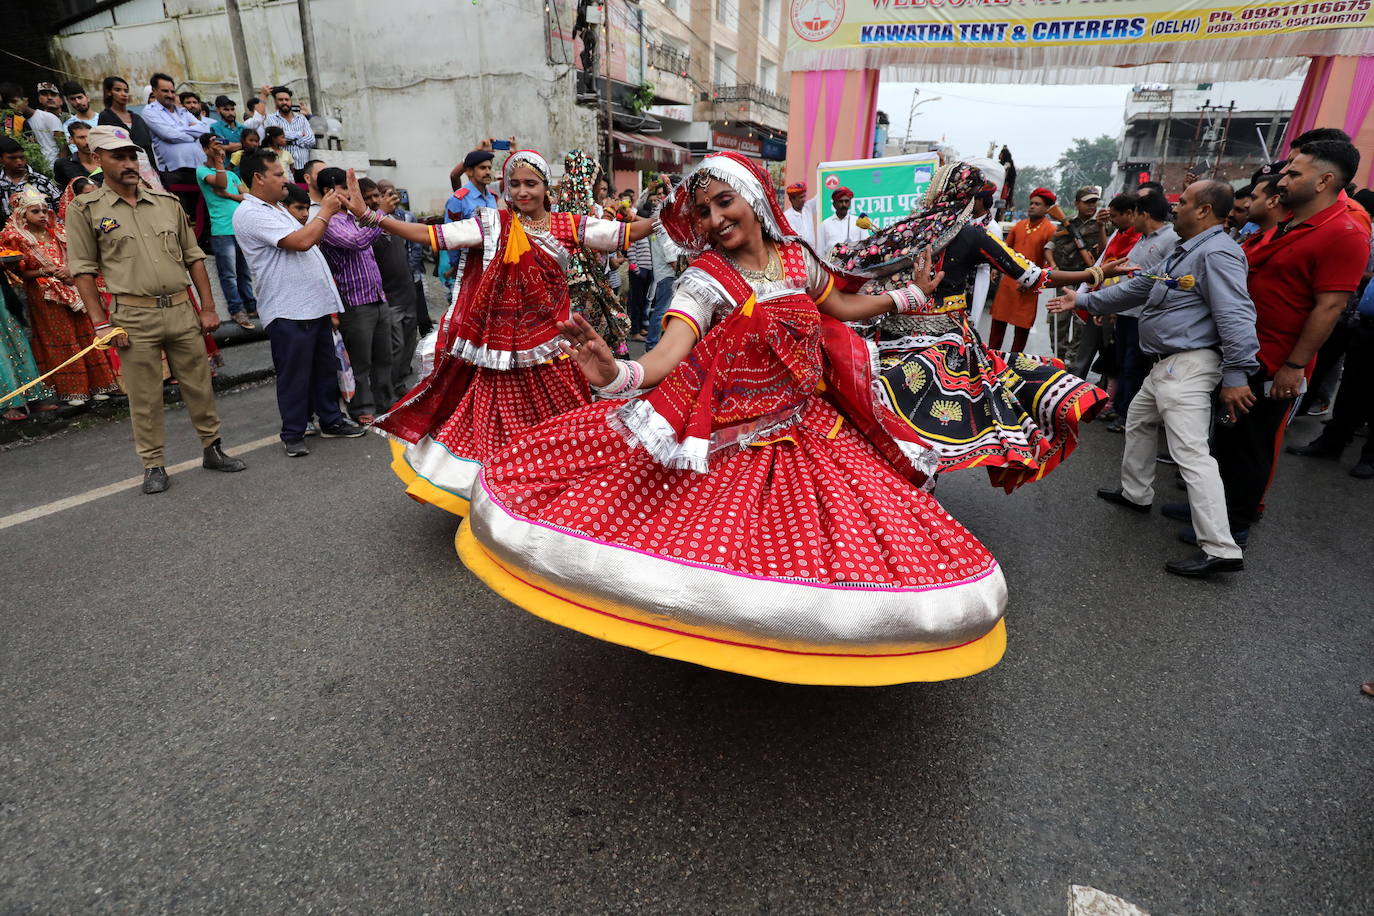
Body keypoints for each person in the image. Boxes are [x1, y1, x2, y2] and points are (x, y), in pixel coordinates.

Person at [457, 151, 1008, 686]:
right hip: (735, 439)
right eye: (703, 212)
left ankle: (802, 642)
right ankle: (727, 649)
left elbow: (841, 309)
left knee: (836, 547)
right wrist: (614, 374)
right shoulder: (705, 278)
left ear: (755, 199)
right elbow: (667, 355)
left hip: (810, 425)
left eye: (725, 203)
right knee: (721, 552)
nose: (716, 220)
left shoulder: (797, 260)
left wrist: (908, 297)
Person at [362, 150, 654, 515]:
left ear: (547, 188)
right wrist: (371, 217)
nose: (521, 192)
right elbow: (433, 235)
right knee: (496, 434)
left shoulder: (568, 225)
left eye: (531, 184)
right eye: (514, 184)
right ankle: (500, 499)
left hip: (553, 350)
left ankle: (556, 495)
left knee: (562, 428)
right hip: (501, 357)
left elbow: (627, 234)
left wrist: (669, 212)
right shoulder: (494, 225)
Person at [831, 162, 1115, 491]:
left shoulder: (906, 229)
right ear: (971, 199)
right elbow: (1033, 276)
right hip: (944, 347)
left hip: (891, 340)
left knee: (889, 417)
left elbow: (849, 261)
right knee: (930, 427)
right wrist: (1094, 274)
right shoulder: (969, 233)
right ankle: (917, 495)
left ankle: (892, 491)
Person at [1048, 180, 1259, 578]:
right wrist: (1085, 298)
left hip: (1190, 366)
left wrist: (1237, 373)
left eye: (1184, 203)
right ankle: (1136, 492)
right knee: (1141, 421)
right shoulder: (1186, 251)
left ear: (1204, 210)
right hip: (1166, 365)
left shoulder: (1217, 253)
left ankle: (1220, 547)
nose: (1174, 209)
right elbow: (1139, 288)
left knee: (1191, 454)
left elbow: (1235, 315)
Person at [66, 125, 247, 493]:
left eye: (133, 155)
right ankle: (153, 464)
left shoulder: (166, 204)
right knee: (144, 394)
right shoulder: (85, 209)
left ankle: (213, 449)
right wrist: (100, 324)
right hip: (132, 316)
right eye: (119, 156)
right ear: (98, 159)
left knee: (199, 385)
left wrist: (209, 308)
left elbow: (194, 258)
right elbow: (82, 270)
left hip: (181, 309)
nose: (129, 163)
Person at [1228, 140, 1369, 519]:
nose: (1283, 179)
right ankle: (1216, 513)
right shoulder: (1290, 223)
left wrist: (1293, 366)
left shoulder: (1345, 231)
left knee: (1253, 445)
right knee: (1232, 438)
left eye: (1293, 173)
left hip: (1275, 359)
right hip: (1245, 349)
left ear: (1324, 180)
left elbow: (1331, 306)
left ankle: (1233, 530)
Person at [232, 150, 367, 455]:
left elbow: (309, 236)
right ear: (259, 178)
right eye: (279, 174)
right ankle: (293, 433)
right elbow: (302, 241)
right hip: (289, 309)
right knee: (294, 374)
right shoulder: (251, 213)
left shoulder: (277, 208)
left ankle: (331, 420)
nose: (286, 179)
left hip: (313, 305)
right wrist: (326, 212)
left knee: (323, 368)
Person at [0, 187, 118, 405]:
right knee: (62, 338)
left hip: (72, 287)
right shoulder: (18, 239)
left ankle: (99, 384)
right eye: (36, 211)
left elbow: (80, 255)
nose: (43, 215)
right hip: (44, 293)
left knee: (85, 332)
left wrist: (68, 270)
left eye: (45, 210)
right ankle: (74, 391)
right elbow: (20, 272)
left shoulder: (60, 233)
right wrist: (46, 272)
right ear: (22, 214)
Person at [315, 166, 392, 423]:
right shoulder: (329, 223)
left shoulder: (352, 218)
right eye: (345, 190)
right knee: (361, 362)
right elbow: (357, 242)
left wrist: (373, 218)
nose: (350, 196)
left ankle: (386, 403)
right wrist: (380, 216)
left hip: (376, 296)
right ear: (329, 192)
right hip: (355, 302)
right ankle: (362, 409)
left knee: (383, 357)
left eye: (351, 190)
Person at [1102, 191, 1178, 431]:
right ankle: (1119, 407)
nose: (1131, 219)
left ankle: (1128, 416)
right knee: (1123, 363)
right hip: (1127, 311)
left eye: (1133, 214)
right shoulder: (1143, 239)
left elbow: (1161, 278)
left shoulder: (1170, 238)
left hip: (1145, 315)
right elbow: (1129, 274)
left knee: (1135, 366)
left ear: (1143, 214)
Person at [553, 150, 630, 355]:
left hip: (579, 279)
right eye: (597, 182)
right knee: (589, 331)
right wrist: (612, 212)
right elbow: (600, 241)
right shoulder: (589, 214)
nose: (599, 188)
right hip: (585, 282)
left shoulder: (558, 210)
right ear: (588, 183)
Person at [360, 177, 419, 397]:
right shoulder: (362, 226)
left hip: (406, 293)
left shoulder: (392, 221)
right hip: (388, 297)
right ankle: (385, 394)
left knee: (408, 344)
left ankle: (399, 384)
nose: (375, 200)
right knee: (393, 347)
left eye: (377, 195)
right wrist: (380, 215)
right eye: (369, 198)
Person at [195, 134, 257, 328]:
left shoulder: (232, 174)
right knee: (229, 274)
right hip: (222, 230)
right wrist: (220, 163)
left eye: (221, 147)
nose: (220, 150)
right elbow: (219, 184)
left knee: (244, 272)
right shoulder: (202, 170)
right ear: (205, 150)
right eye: (215, 147)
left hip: (241, 228)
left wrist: (229, 194)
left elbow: (247, 196)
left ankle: (251, 306)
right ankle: (236, 310)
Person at [988, 187, 1057, 351]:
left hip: (1029, 285)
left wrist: (1033, 282)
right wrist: (996, 268)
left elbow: (1049, 262)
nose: (1032, 206)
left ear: (1047, 209)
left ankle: (1015, 364)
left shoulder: (1050, 229)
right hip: (1008, 283)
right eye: (1031, 203)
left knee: (1022, 328)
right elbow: (1005, 250)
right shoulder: (1019, 225)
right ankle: (990, 359)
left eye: (1038, 204)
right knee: (998, 323)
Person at [141, 72, 209, 217]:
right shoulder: (149, 111)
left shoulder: (182, 111)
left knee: (202, 214)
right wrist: (192, 133)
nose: (170, 95)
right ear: (154, 91)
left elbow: (204, 129)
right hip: (174, 171)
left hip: (197, 168)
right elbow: (169, 135)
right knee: (183, 215)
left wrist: (179, 130)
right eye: (165, 91)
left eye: (172, 91)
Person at [376, 178, 432, 336]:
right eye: (385, 193)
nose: (391, 196)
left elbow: (416, 246)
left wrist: (409, 268)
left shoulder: (407, 217)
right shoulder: (374, 219)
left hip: (411, 273)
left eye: (393, 192)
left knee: (417, 309)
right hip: (392, 282)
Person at [441, 150, 499, 286]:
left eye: (489, 168)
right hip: (467, 266)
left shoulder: (491, 196)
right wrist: (457, 266)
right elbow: (450, 236)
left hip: (491, 264)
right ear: (469, 172)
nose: (488, 172)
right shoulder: (458, 199)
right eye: (482, 168)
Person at [2, 82, 65, 169]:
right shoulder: (15, 123)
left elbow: (63, 147)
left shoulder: (48, 117)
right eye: (8, 104)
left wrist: (61, 169)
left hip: (55, 168)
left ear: (25, 100)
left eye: (14, 101)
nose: (12, 106)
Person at [95, 76, 155, 165]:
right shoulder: (106, 117)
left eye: (126, 91)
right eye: (118, 90)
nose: (123, 94)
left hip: (147, 166)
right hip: (123, 165)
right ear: (108, 92)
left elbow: (148, 146)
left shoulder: (137, 118)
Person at [260, 85, 315, 176]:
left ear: (291, 101)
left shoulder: (301, 118)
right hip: (284, 168)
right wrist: (300, 134)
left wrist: (290, 141)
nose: (284, 102)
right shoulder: (270, 118)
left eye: (287, 99)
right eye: (281, 100)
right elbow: (276, 136)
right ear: (275, 102)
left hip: (304, 166)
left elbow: (311, 139)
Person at [0, 136, 60, 218]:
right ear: (1, 159)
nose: (19, 162)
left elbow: (61, 208)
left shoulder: (41, 181)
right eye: (12, 158)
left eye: (21, 157)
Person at [818, 186, 867, 255]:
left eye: (846, 201)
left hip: (855, 263)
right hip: (832, 264)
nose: (844, 204)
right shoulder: (825, 224)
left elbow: (866, 245)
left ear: (850, 203)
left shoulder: (859, 221)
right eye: (840, 201)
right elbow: (820, 252)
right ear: (834, 204)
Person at [53, 122, 96, 188]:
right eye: (81, 137)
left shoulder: (105, 160)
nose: (87, 142)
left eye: (90, 137)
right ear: (71, 140)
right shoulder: (62, 164)